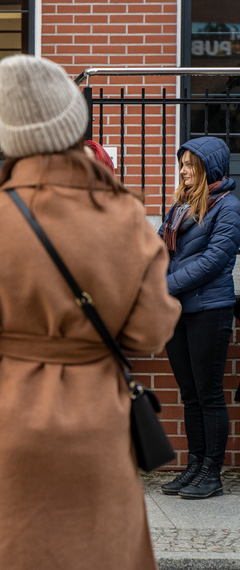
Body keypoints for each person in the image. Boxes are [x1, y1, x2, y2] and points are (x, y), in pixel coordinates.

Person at [0, 55, 181, 569]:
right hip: (98, 424)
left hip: (4, 422)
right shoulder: (124, 212)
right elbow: (153, 325)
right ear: (72, 122)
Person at [158, 136, 240, 499]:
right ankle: (194, 465)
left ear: (209, 168)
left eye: (191, 164)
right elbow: (160, 248)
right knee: (189, 394)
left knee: (208, 394)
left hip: (209, 309)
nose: (183, 170)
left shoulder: (228, 207)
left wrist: (165, 285)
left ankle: (212, 472)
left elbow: (214, 261)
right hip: (178, 311)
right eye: (182, 164)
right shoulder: (179, 206)